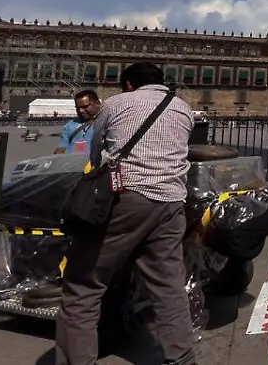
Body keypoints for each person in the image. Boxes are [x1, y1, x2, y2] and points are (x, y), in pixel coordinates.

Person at [55, 63, 196, 365]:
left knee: (83, 284)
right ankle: (182, 359)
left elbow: (95, 151)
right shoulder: (184, 108)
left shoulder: (117, 103)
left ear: (129, 84)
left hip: (126, 198)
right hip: (171, 204)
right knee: (169, 286)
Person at [56, 89, 101, 155]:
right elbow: (62, 147)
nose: (81, 111)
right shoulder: (69, 126)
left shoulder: (106, 123)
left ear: (97, 103)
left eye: (85, 106)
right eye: (77, 108)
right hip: (71, 163)